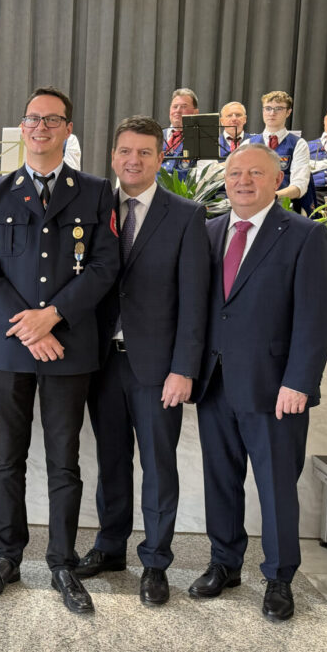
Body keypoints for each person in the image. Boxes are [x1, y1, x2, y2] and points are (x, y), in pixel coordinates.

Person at [0, 86, 119, 615]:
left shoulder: (95, 192)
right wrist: (30, 326)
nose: (40, 128)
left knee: (64, 462)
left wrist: (52, 316)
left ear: (68, 129)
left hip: (68, 347)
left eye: (52, 120)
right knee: (7, 459)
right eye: (33, 119)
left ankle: (61, 562)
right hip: (10, 348)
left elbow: (104, 265)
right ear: (23, 126)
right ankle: (7, 557)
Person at [189, 144, 327, 621]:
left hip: (276, 389)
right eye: (235, 173)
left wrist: (299, 382)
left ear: (277, 181)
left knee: (275, 487)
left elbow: (316, 317)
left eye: (256, 173)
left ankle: (279, 577)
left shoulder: (305, 235)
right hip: (214, 383)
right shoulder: (208, 232)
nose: (244, 181)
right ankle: (224, 564)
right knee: (220, 481)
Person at [75, 116, 208, 605]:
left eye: (145, 152)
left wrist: (184, 368)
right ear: (113, 156)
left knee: (158, 466)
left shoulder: (186, 215)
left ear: (160, 158)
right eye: (126, 151)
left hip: (157, 367)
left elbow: (195, 300)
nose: (134, 160)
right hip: (100, 362)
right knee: (111, 462)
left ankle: (155, 561)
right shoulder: (92, 208)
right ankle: (110, 547)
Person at [254, 91, 313, 212]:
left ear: (288, 112)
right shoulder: (249, 143)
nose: (272, 113)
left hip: (283, 205)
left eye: (279, 109)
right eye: (268, 108)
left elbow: (299, 187)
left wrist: (272, 197)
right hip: (252, 204)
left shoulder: (298, 144)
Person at [161, 88, 200, 180]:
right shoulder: (156, 135)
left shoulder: (202, 138)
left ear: (195, 112)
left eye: (183, 107)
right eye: (175, 107)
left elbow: (206, 172)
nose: (177, 111)